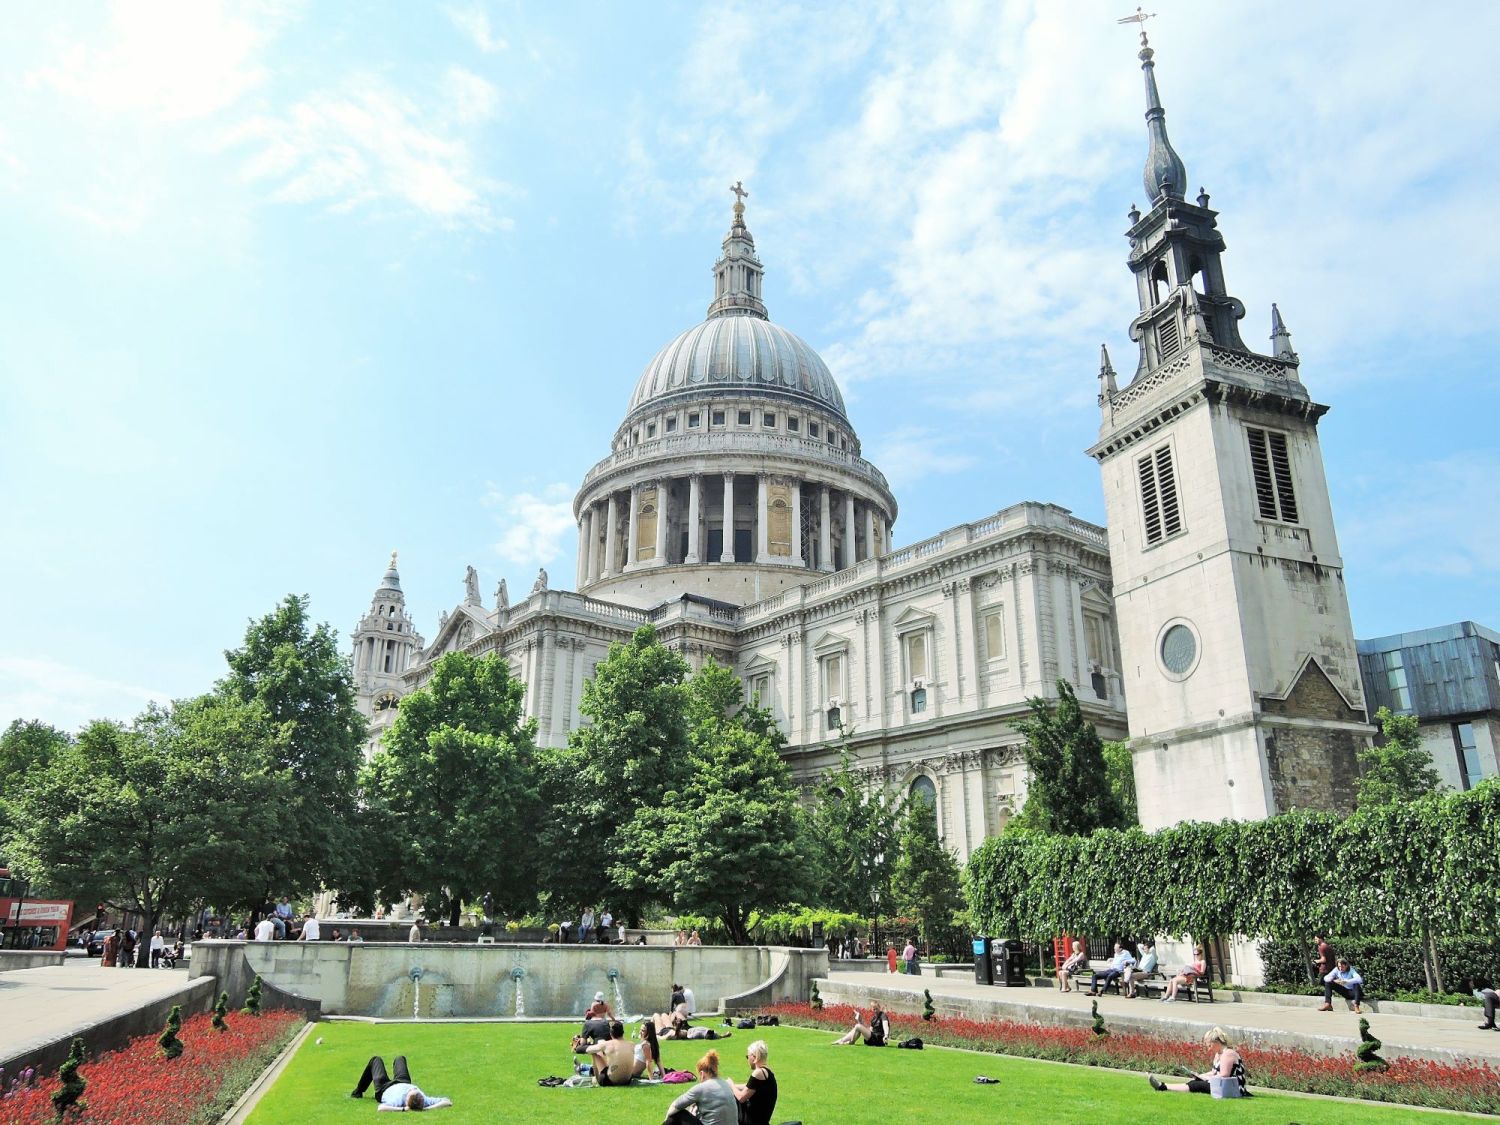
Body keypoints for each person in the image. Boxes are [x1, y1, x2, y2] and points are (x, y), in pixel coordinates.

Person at [1148, 1026, 1248, 1096]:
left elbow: (1224, 1075)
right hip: (1221, 1085)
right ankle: (1163, 1086)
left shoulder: (1228, 1053)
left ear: (1216, 1043)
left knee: (1197, 1085)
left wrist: (1206, 1079)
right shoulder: (1219, 1054)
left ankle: (1163, 1086)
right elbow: (1214, 1072)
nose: (1208, 1048)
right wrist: (1200, 1075)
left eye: (1210, 1045)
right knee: (1196, 1081)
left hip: (1233, 1088)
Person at [661, 1049, 737, 1125]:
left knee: (678, 1113)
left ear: (702, 1074)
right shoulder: (725, 1083)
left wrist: (666, 1121)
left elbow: (675, 1106)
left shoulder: (701, 1088)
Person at [350, 1055, 452, 1110]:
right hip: (403, 1081)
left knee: (376, 1060)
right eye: (415, 1090)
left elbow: (381, 1108)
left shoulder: (397, 1100)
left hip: (384, 1088)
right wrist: (428, 1108)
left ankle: (358, 1091)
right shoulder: (425, 1100)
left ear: (406, 1098)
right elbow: (447, 1101)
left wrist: (403, 1109)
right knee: (400, 1058)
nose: (414, 1088)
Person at [733, 1039, 778, 1125]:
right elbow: (748, 1086)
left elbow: (741, 1098)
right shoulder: (767, 1071)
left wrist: (731, 1084)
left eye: (747, 1056)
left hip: (753, 1121)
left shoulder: (758, 1073)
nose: (747, 1060)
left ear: (754, 1057)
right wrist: (729, 1085)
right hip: (762, 1120)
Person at [586, 1021, 635, 1087]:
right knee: (609, 1058)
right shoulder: (631, 1044)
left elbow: (588, 1050)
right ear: (622, 1032)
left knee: (595, 1053)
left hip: (610, 1082)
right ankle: (585, 1069)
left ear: (610, 1033)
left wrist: (580, 1046)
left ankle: (596, 1078)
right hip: (627, 1081)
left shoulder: (607, 1044)